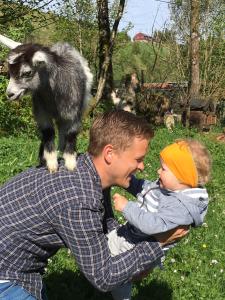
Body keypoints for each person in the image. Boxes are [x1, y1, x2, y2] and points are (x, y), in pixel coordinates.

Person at [0, 110, 187, 300]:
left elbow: (105, 223)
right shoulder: (78, 199)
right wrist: (158, 242)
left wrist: (130, 256)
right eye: (138, 159)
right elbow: (103, 277)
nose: (142, 166)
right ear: (109, 154)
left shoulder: (85, 169)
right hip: (7, 277)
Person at [107, 139, 211, 299]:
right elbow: (146, 188)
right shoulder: (170, 187)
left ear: (182, 176)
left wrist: (127, 207)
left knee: (116, 274)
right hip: (134, 236)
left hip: (137, 245)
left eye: (163, 169)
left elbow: (153, 225)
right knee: (104, 250)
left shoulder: (179, 206)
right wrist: (126, 181)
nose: (158, 171)